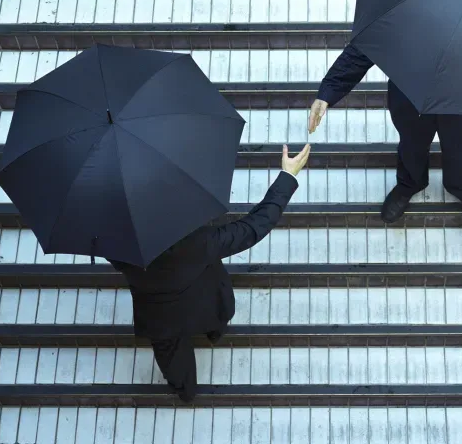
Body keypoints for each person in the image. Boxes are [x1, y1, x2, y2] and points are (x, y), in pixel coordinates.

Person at [109, 143, 311, 401]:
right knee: (216, 311)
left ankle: (185, 391)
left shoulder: (114, 235)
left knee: (171, 356)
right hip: (201, 290)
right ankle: (215, 332)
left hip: (156, 311)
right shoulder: (198, 241)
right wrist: (288, 175)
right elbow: (253, 226)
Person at [309, 45, 462, 231]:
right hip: (413, 92)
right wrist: (329, 89)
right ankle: (409, 184)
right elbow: (369, 41)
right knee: (412, 145)